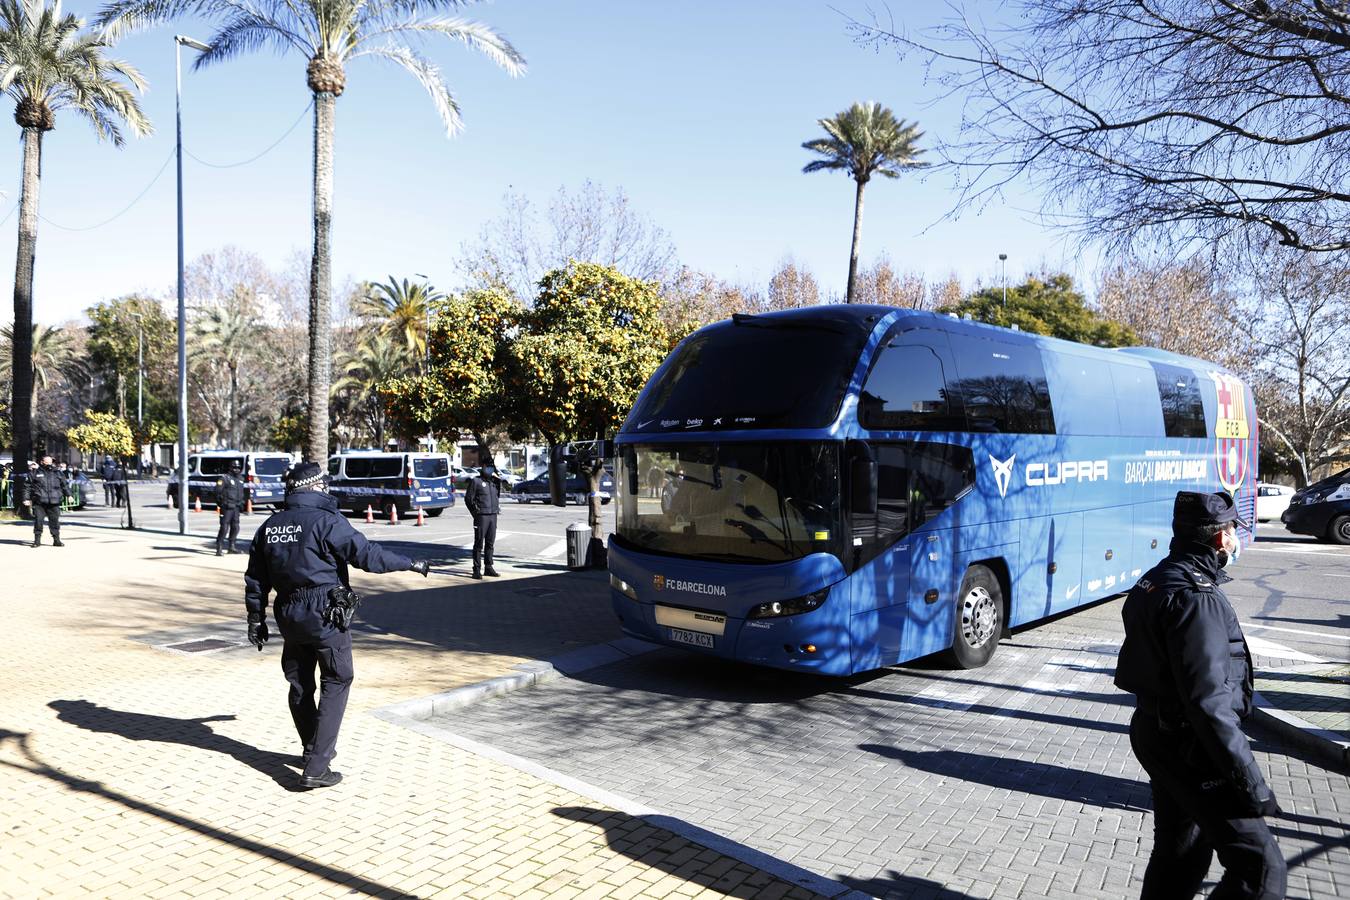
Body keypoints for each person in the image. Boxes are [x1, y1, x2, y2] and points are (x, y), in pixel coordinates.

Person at [1116, 490, 1286, 900]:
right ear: (1217, 538)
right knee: (1260, 867)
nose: (1235, 539)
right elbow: (1208, 704)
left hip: (1158, 732)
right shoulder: (1197, 598)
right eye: (1232, 531)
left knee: (1182, 853)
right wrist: (1250, 782)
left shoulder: (1157, 578)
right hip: (1190, 745)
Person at [244, 462, 429, 790]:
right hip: (325, 611)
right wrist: (409, 562)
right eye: (324, 484)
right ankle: (317, 764)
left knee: (300, 683)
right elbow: (367, 556)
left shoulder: (269, 526)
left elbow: (255, 580)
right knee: (337, 679)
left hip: (288, 611)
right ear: (315, 486)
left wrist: (256, 619)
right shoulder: (326, 522)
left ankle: (310, 749)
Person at [464, 463, 503, 579]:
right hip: (481, 516)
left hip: (493, 515)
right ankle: (476, 569)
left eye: (491, 467)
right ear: (483, 468)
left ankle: (488, 567)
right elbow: (468, 499)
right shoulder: (476, 481)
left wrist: (498, 481)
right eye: (487, 467)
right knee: (479, 543)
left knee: (490, 543)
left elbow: (497, 496)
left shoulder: (494, 482)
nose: (489, 470)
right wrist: (475, 513)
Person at [22, 456, 66, 548]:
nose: (49, 464)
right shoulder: (34, 473)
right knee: (38, 521)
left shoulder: (58, 473)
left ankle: (56, 540)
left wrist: (69, 495)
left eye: (51, 462)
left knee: (54, 522)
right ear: (42, 462)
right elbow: (27, 487)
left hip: (54, 502)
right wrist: (26, 499)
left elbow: (64, 485)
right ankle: (37, 541)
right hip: (39, 502)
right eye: (47, 462)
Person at [215, 461, 248, 556]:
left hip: (236, 507)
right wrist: (222, 504)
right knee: (224, 527)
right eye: (234, 467)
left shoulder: (240, 479)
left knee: (235, 527)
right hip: (227, 507)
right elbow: (217, 492)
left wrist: (242, 503)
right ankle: (219, 547)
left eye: (238, 467)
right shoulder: (224, 478)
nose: (236, 469)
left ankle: (231, 547)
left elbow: (242, 493)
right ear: (230, 468)